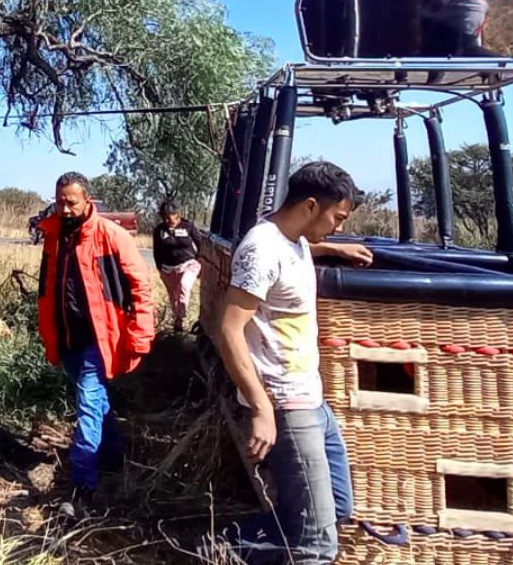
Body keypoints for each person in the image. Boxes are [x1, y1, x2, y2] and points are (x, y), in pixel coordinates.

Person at [210, 161, 374, 565]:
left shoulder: (294, 240)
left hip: (312, 400)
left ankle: (224, 548)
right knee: (318, 546)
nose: (338, 226)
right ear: (311, 206)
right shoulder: (262, 248)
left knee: (336, 508)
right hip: (285, 404)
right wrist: (263, 408)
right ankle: (222, 551)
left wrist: (332, 248)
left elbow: (292, 254)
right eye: (336, 218)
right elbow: (229, 330)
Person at [36, 172, 155, 513]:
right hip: (67, 337)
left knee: (87, 403)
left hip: (99, 340)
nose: (65, 208)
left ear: (87, 200)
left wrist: (140, 335)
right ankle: (115, 457)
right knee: (97, 402)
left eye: (71, 202)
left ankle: (81, 488)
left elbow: (140, 288)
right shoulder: (54, 236)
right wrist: (48, 335)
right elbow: (47, 290)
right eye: (60, 201)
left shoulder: (110, 236)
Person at [153, 201, 202, 332]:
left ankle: (182, 317)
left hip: (188, 264)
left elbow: (200, 244)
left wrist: (200, 262)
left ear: (176, 214)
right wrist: (160, 268)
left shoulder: (188, 226)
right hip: (168, 269)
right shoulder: (159, 230)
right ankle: (177, 321)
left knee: (184, 286)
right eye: (164, 217)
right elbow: (156, 251)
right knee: (174, 296)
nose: (166, 220)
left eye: (169, 216)